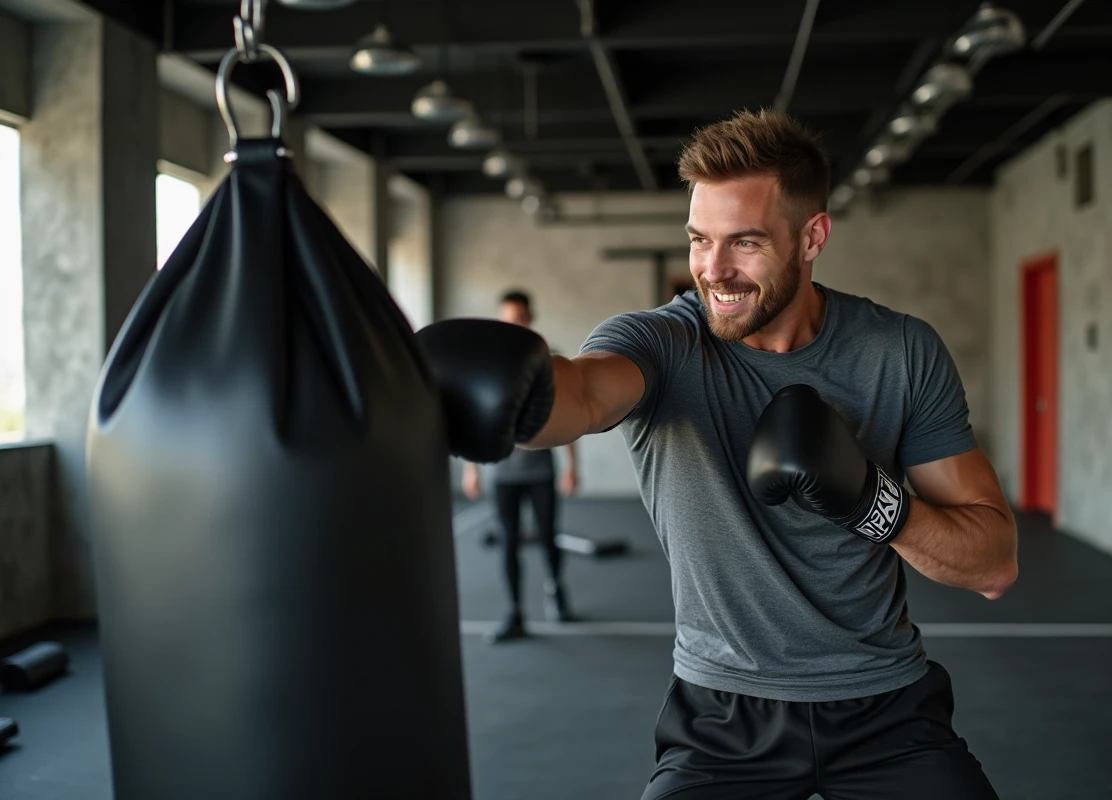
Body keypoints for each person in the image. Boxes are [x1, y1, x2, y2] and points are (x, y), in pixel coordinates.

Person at [418, 109, 1018, 798]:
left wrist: (869, 500)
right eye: (700, 240)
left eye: (746, 243)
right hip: (725, 723)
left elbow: (994, 564)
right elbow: (582, 394)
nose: (713, 270)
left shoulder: (901, 352)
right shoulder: (664, 345)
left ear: (813, 236)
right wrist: (512, 394)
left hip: (887, 709)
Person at [460, 290, 579, 643]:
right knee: (509, 543)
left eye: (521, 317)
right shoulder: (488, 363)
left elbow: (569, 413)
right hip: (502, 473)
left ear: (530, 318)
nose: (515, 323)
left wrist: (572, 466)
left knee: (547, 537)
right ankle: (514, 612)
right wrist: (471, 468)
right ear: (501, 320)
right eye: (509, 318)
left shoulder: (547, 359)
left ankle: (556, 591)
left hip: (540, 470)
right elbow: (474, 414)